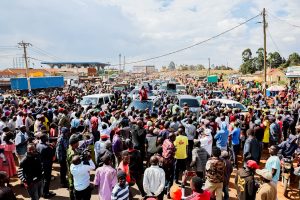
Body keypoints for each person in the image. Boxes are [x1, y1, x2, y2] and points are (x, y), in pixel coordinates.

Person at [36, 133, 56, 198]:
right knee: (47, 179)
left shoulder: (38, 145)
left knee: (43, 179)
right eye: (46, 138)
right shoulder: (47, 148)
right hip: (47, 165)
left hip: (40, 164)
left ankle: (44, 192)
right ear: (44, 139)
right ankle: (46, 194)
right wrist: (53, 147)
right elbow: (53, 157)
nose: (47, 139)